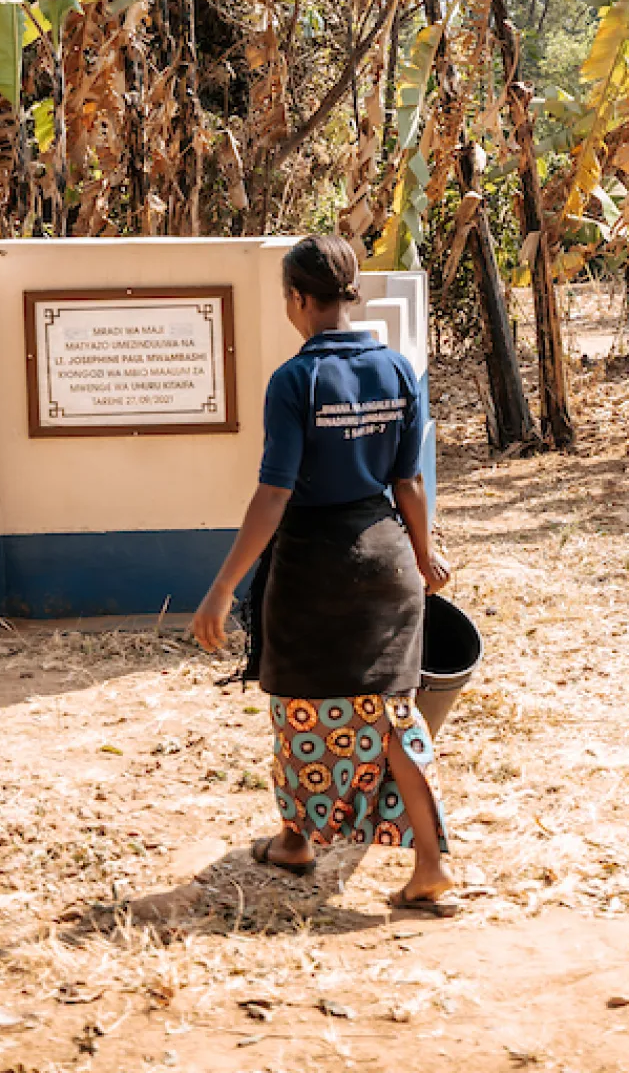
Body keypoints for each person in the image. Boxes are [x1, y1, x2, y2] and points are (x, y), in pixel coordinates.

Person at [192, 235, 458, 914]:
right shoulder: (398, 371)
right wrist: (424, 557)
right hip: (388, 561)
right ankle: (429, 866)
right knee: (395, 718)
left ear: (302, 299)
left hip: (313, 566)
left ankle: (297, 841)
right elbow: (409, 483)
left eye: (287, 297)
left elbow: (274, 494)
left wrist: (223, 587)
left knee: (298, 710)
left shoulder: (295, 381)